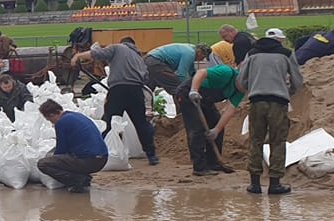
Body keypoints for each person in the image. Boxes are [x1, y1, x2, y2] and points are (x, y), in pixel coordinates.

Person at [237, 31, 305, 194]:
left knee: (256, 140)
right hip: (278, 101)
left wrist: (252, 88)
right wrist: (289, 91)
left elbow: (241, 80)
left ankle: (255, 184)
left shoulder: (252, 54)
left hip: (256, 101)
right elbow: (297, 80)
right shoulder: (286, 54)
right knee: (277, 142)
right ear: (280, 40)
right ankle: (275, 184)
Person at [77, 37, 158, 165]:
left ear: (123, 43)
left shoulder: (117, 47)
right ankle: (152, 155)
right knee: (141, 123)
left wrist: (78, 56)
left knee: (109, 121)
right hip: (136, 91)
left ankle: (101, 152)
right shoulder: (139, 58)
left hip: (118, 90)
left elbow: (97, 54)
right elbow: (146, 76)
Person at [181, 63, 244, 177]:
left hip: (206, 100)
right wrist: (194, 90)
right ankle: (199, 167)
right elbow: (201, 72)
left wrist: (216, 129)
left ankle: (213, 162)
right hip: (188, 93)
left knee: (217, 123)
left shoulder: (240, 91)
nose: (244, 88)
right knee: (196, 130)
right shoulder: (226, 72)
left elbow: (230, 110)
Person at [37, 99, 109, 194]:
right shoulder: (77, 115)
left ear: (52, 115)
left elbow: (61, 150)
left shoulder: (61, 122)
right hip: (102, 158)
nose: (52, 123)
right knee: (65, 157)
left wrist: (52, 160)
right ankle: (83, 178)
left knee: (43, 164)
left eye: (50, 120)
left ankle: (77, 180)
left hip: (90, 161)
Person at [145, 42, 212, 95]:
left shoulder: (192, 50)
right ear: (199, 52)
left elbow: (192, 73)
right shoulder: (190, 54)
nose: (202, 60)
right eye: (203, 57)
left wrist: (198, 83)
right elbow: (181, 74)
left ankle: (144, 108)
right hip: (155, 61)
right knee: (177, 86)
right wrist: (189, 88)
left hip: (149, 59)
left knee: (149, 87)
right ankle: (182, 110)